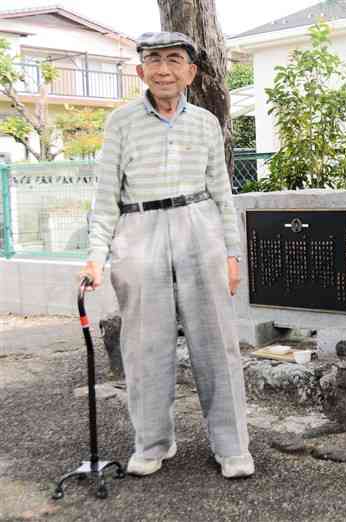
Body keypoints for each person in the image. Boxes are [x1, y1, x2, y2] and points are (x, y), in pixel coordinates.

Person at [79, 31, 253, 479]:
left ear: (190, 72)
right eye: (153, 60)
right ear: (140, 71)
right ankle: (153, 442)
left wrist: (232, 254)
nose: (163, 69)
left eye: (174, 59)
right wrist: (96, 256)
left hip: (199, 227)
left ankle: (232, 446)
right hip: (139, 231)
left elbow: (221, 193)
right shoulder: (120, 122)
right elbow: (104, 198)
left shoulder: (206, 123)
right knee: (144, 346)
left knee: (217, 344)